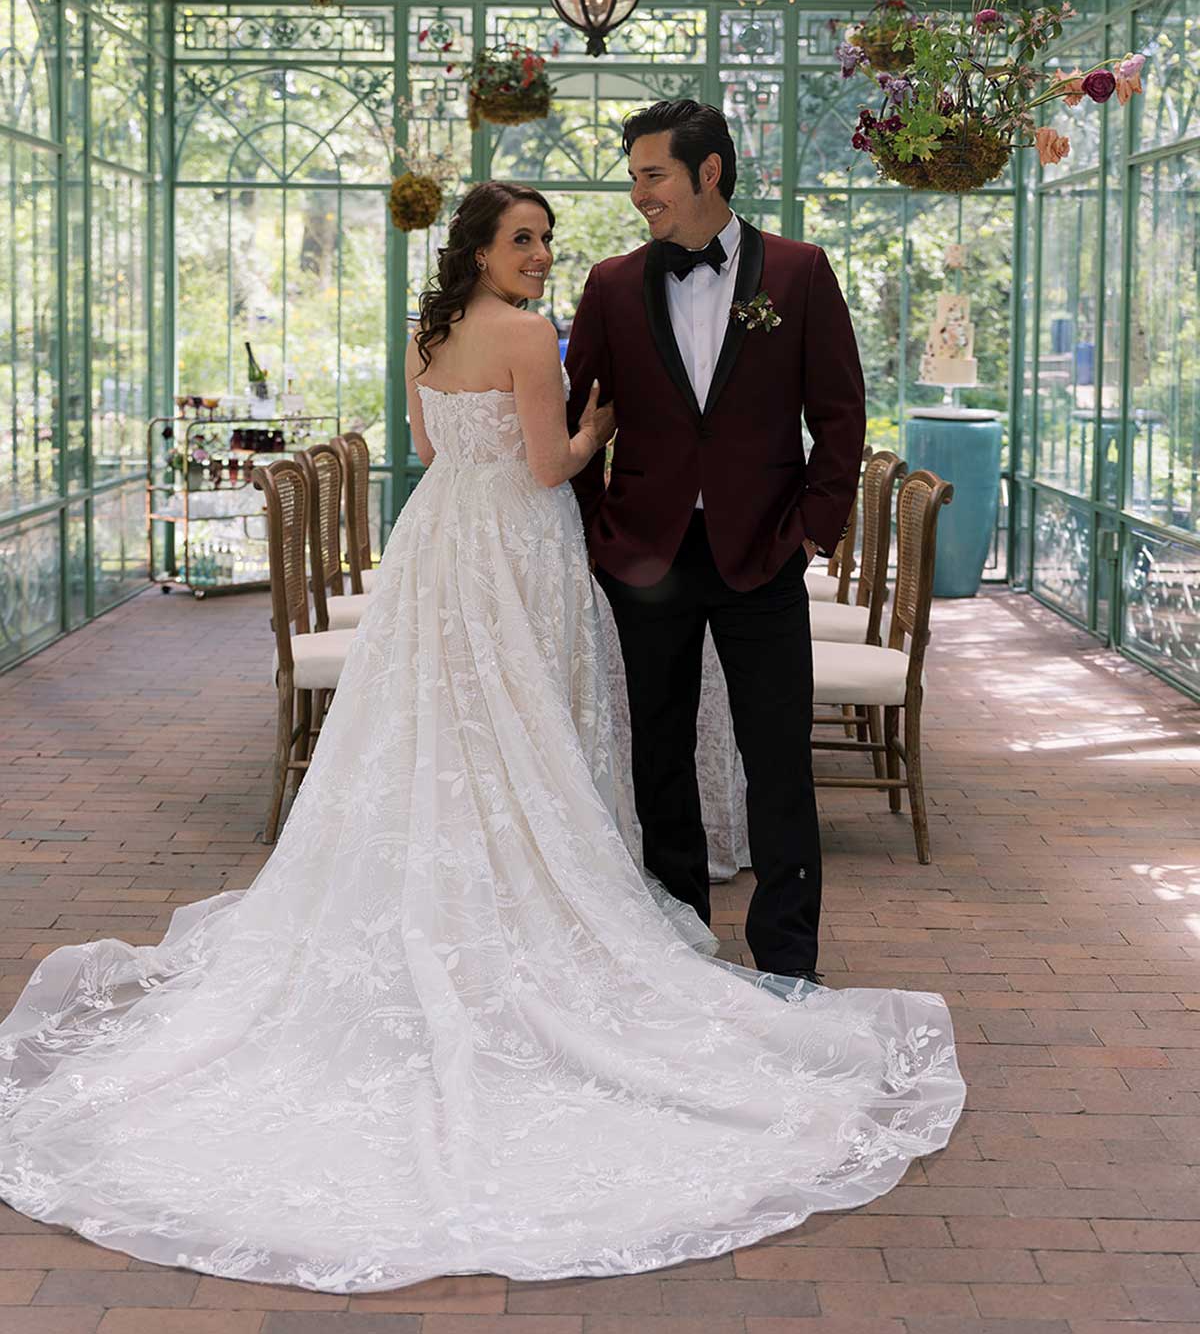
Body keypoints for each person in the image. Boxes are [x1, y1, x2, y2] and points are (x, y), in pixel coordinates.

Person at [0, 180, 962, 1296]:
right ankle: (537, 897)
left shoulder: (427, 331)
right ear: (483, 249)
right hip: (519, 541)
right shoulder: (525, 333)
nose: (544, 254)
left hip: (440, 541)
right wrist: (596, 427)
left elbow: (424, 438)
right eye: (526, 238)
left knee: (435, 724)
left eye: (548, 238)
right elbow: (549, 465)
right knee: (531, 721)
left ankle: (460, 883)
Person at [567, 99, 864, 982]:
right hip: (645, 558)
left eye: (651, 174)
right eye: (632, 176)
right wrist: (595, 534)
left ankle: (787, 959)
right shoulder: (612, 285)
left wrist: (813, 528)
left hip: (762, 551)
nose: (637, 194)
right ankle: (680, 946)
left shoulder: (802, 272)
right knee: (659, 755)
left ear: (709, 173)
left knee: (777, 759)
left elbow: (841, 415)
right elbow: (578, 414)